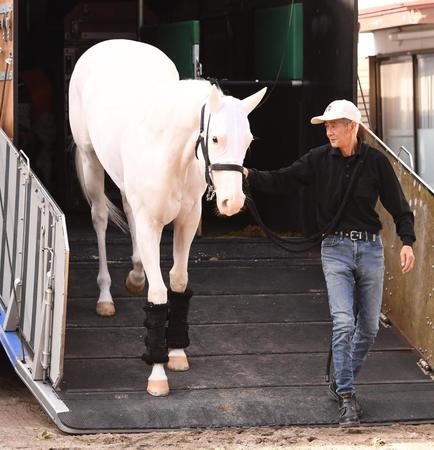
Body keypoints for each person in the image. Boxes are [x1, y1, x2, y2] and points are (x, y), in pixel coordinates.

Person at [243, 99, 415, 427]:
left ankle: (340, 377)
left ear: (353, 127)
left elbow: (399, 207)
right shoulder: (318, 160)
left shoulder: (376, 162)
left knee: (369, 327)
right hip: (334, 249)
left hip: (370, 250)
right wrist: (249, 175)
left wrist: (407, 242)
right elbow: (284, 179)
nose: (328, 129)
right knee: (343, 322)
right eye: (326, 124)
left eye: (334, 124)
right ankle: (347, 397)